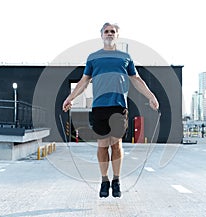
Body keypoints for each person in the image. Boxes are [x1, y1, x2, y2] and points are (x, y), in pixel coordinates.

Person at [62, 22, 159, 198]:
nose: (109, 34)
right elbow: (84, 82)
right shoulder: (93, 58)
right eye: (106, 31)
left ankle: (116, 180)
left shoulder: (125, 57)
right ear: (101, 35)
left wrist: (151, 96)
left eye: (112, 31)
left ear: (117, 35)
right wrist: (70, 98)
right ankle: (104, 180)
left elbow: (136, 79)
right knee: (102, 145)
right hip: (99, 107)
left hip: (119, 106)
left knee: (115, 144)